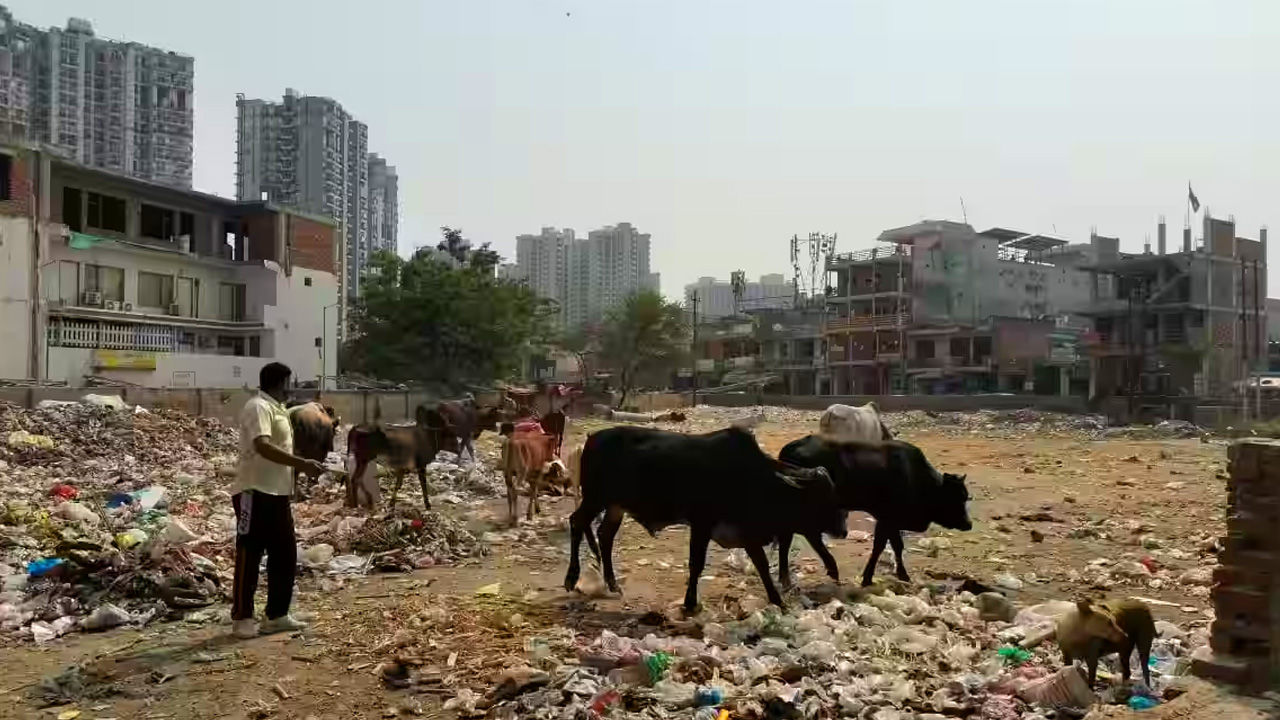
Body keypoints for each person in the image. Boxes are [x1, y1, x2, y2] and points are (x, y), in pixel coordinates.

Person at [231, 362, 326, 638]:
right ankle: (242, 617)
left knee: (284, 554)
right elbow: (262, 446)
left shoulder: (278, 409)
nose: (291, 387)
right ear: (279, 382)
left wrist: (300, 471)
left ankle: (277, 614)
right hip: (254, 490)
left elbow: (281, 450)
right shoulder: (258, 406)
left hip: (277, 493)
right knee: (250, 553)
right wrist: (302, 463)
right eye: (289, 382)